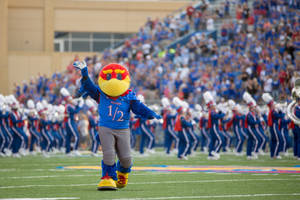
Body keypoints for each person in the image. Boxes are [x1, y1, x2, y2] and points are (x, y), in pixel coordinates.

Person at [74, 61, 161, 190]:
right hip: (106, 128)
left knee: (126, 158)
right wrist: (85, 72)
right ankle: (107, 178)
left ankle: (122, 174)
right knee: (109, 154)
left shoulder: (128, 96)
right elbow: (89, 86)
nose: (114, 81)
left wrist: (151, 113)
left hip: (123, 129)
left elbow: (139, 107)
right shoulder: (101, 93)